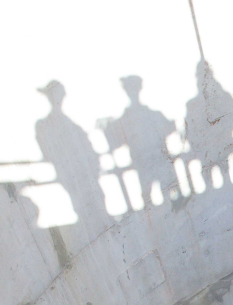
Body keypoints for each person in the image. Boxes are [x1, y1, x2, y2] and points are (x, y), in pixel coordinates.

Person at [35, 80, 109, 225]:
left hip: (87, 174)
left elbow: (87, 148)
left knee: (99, 205)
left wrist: (93, 166)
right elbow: (48, 151)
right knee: (85, 210)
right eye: (54, 95)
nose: (57, 98)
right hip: (71, 175)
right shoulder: (44, 125)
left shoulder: (71, 124)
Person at [104, 75, 178, 206]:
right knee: (148, 198)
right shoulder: (125, 120)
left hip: (159, 160)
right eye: (130, 89)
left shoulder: (150, 115)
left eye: (134, 88)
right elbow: (115, 141)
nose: (133, 92)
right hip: (143, 164)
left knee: (168, 192)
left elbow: (169, 127)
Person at [184, 61, 233, 187]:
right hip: (206, 151)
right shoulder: (192, 105)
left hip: (223, 145)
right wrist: (200, 141)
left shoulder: (223, 97)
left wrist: (222, 131)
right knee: (209, 184)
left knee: (228, 180)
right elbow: (190, 130)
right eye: (200, 76)